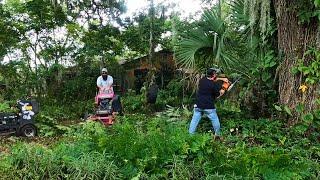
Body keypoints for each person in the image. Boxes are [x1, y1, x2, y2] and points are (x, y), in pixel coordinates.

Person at [188, 68, 229, 137]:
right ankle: (217, 135)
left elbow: (213, 79)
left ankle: (190, 136)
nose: (216, 75)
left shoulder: (202, 80)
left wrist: (222, 79)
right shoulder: (213, 85)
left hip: (198, 105)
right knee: (215, 120)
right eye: (215, 73)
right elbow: (218, 95)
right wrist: (224, 89)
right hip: (208, 107)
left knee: (194, 121)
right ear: (213, 75)